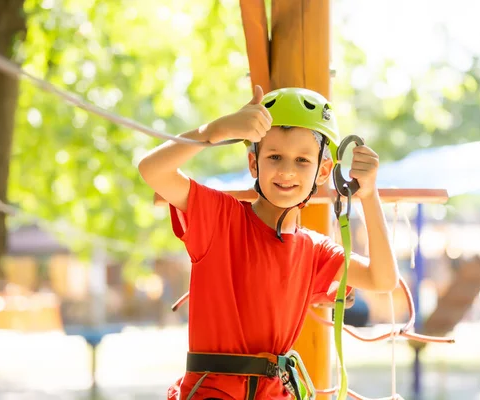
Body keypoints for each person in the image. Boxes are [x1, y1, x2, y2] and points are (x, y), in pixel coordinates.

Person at [137, 85, 399, 400]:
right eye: (274, 156)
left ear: (323, 171)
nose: (286, 170)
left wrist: (369, 194)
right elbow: (152, 169)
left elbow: (383, 279)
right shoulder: (220, 217)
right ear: (253, 163)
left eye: (302, 160)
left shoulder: (314, 251)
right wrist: (216, 130)